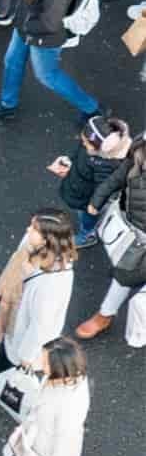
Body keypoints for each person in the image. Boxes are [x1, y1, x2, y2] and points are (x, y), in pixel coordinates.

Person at [0, 211, 76, 402]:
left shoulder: (52, 284)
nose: (28, 230)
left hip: (25, 335)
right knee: (6, 355)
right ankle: (0, 385)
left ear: (47, 239)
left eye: (34, 229)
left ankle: (6, 393)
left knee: (15, 364)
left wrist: (27, 356)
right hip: (16, 318)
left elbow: (41, 325)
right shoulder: (38, 248)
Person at [5, 337, 88, 456]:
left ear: (59, 367)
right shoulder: (63, 377)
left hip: (47, 454)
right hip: (40, 442)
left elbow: (64, 445)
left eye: (44, 361)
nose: (40, 364)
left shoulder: (69, 404)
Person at [76, 137, 146, 339]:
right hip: (138, 235)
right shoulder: (139, 154)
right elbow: (117, 178)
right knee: (123, 276)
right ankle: (105, 315)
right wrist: (98, 199)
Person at [52, 115, 128, 248]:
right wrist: (69, 160)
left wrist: (94, 205)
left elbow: (104, 188)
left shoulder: (106, 165)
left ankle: (88, 234)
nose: (83, 143)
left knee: (87, 216)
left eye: (86, 142)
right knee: (83, 213)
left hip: (86, 198)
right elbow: (79, 150)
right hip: (78, 186)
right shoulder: (92, 145)